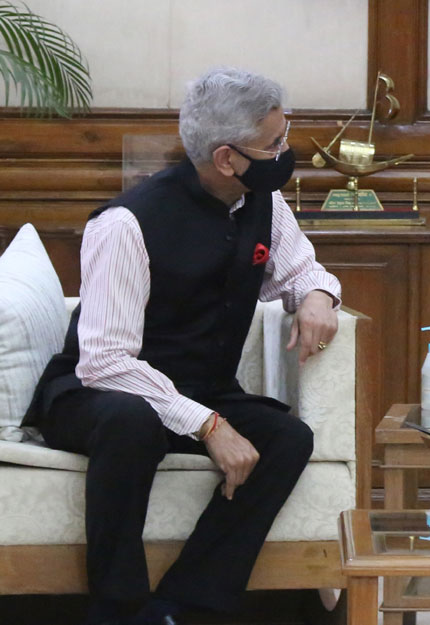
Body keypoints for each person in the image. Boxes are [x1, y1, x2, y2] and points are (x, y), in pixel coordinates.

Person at [22, 67, 341, 625]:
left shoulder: (263, 201)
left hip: (199, 389)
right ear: (226, 158)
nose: (286, 153)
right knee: (132, 421)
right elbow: (106, 362)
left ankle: (181, 607)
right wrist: (209, 426)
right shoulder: (125, 225)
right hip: (96, 393)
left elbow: (301, 270)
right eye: (274, 144)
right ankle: (116, 610)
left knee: (288, 437)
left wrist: (318, 296)